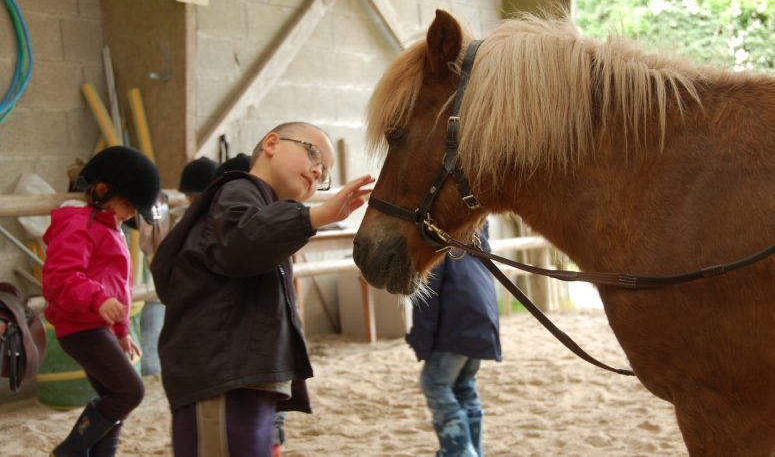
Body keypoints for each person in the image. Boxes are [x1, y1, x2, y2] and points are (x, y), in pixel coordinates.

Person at [150, 121, 373, 457]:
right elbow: (241, 243)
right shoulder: (238, 190)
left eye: (325, 171)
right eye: (313, 154)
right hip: (223, 378)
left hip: (242, 380)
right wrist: (314, 217)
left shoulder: (263, 206)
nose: (318, 169)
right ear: (271, 144)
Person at [42, 146, 161, 457]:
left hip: (97, 327)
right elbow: (61, 277)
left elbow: (117, 288)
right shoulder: (78, 224)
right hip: (80, 327)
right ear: (102, 191)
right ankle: (69, 451)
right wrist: (97, 300)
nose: (130, 215)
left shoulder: (109, 227)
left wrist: (121, 330)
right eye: (127, 205)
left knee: (115, 397)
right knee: (131, 391)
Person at [405, 222, 501, 457]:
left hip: (455, 323)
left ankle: (460, 453)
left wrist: (422, 342)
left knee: (435, 383)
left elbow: (428, 297)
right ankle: (472, 451)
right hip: (482, 320)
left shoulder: (432, 241)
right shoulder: (473, 234)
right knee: (464, 386)